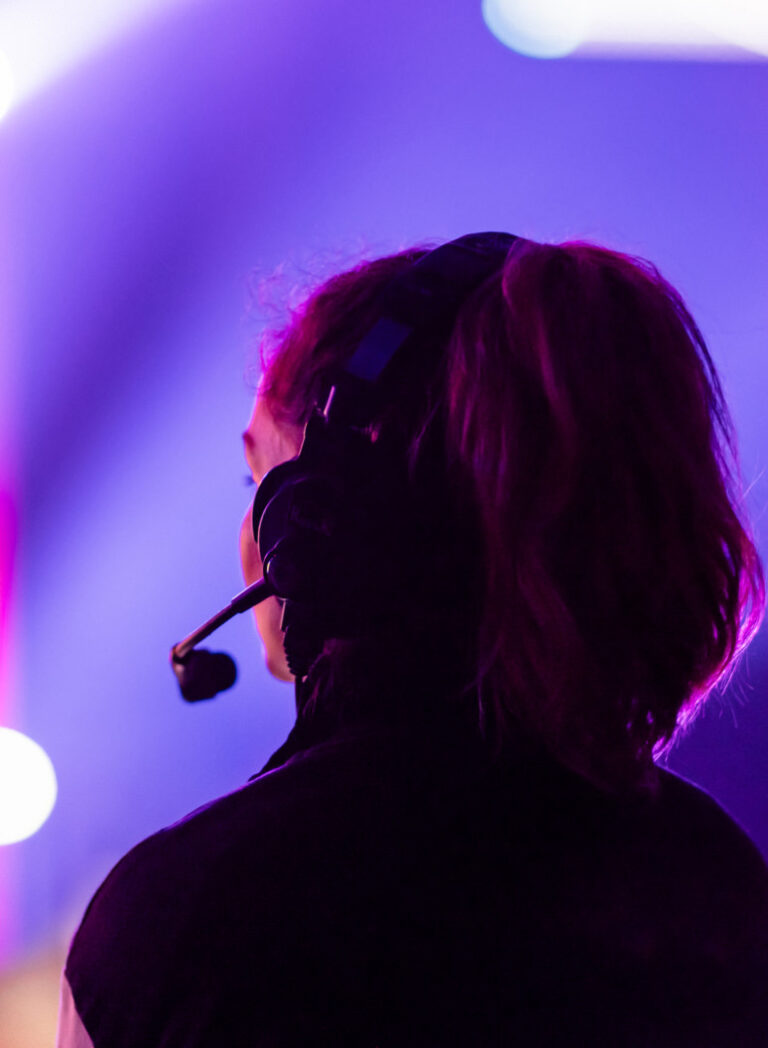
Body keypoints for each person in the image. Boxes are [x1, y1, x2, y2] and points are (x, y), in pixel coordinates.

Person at [58, 234, 768, 1046]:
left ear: (315, 520)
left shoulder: (180, 921)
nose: (252, 531)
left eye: (261, 482)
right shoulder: (720, 891)